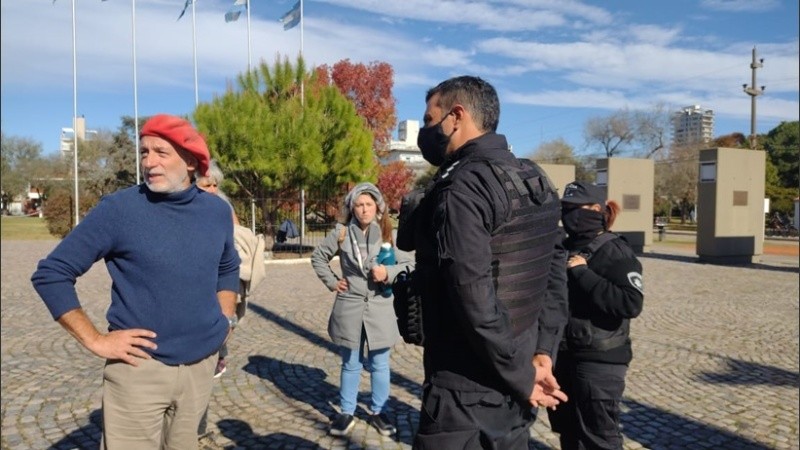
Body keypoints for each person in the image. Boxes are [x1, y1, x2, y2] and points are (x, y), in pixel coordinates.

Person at [31, 114, 241, 449]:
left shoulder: (216, 211)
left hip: (201, 366)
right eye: (144, 152)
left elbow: (228, 264)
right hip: (138, 369)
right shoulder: (119, 210)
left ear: (190, 162)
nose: (149, 162)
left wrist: (226, 317)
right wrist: (96, 341)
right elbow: (51, 274)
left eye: (161, 152)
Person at [403, 75, 569, 449]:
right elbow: (555, 274)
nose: (426, 131)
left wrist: (522, 374)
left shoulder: (462, 187)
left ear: (456, 116)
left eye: (430, 120)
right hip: (519, 378)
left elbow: (473, 296)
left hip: (464, 392)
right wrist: (542, 352)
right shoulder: (535, 178)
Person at [310, 182, 413, 437]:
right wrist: (333, 282)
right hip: (350, 306)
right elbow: (318, 257)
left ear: (378, 207)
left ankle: (379, 411)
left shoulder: (389, 234)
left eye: (368, 204)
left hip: (380, 308)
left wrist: (387, 272)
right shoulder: (342, 233)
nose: (364, 209)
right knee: (350, 363)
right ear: (352, 208)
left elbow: (410, 264)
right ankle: (347, 411)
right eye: (359, 205)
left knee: (380, 364)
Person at [547, 181, 644, 450]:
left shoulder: (615, 250)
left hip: (599, 359)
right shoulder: (564, 246)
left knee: (599, 436)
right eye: (566, 208)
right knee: (568, 431)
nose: (570, 215)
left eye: (578, 208)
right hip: (564, 354)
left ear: (598, 210)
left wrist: (583, 273)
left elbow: (630, 303)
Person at [196, 160, 266, 441]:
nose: (213, 189)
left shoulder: (224, 208)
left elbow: (238, 248)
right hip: (192, 300)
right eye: (206, 185)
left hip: (219, 300)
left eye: (215, 184)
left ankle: (197, 432)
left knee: (204, 369)